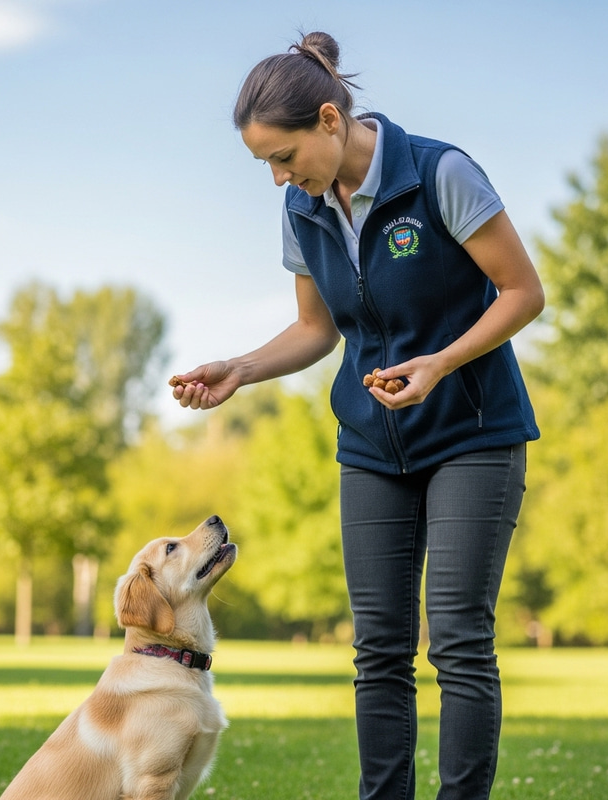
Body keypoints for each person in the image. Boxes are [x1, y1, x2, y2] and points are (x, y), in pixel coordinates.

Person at [170, 31, 544, 800]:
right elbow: (317, 328)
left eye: (284, 156)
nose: (278, 178)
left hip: (473, 433)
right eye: (264, 164)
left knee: (460, 640)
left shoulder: (440, 173)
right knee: (378, 648)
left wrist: (442, 362)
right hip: (374, 445)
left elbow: (522, 293)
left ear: (331, 121)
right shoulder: (304, 211)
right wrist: (240, 367)